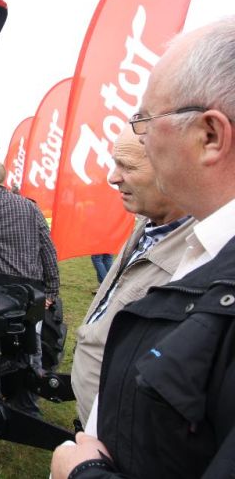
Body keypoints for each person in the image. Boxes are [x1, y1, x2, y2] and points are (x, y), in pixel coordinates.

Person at [52, 17, 235, 478]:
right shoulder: (202, 244)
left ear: (210, 136)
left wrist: (83, 475)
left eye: (147, 122)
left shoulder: (212, 265)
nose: (114, 176)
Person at [71, 128, 193, 427]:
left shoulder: (199, 255)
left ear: (175, 167)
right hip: (96, 422)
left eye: (127, 165)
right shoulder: (149, 225)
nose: (113, 177)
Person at [0, 160, 59, 415]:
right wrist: (51, 291)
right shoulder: (30, 207)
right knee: (33, 346)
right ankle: (28, 403)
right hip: (33, 290)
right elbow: (48, 250)